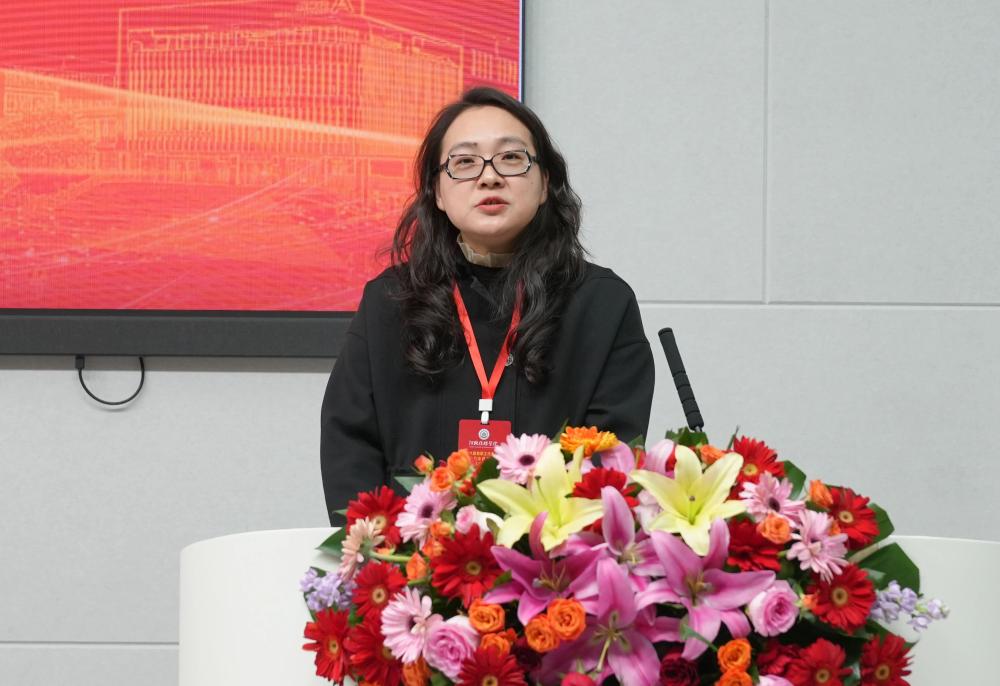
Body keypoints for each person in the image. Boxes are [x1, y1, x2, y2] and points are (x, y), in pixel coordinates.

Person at [320, 87, 654, 523]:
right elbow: (349, 447)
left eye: (511, 158)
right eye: (464, 162)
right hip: (412, 555)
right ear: (437, 192)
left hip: (553, 554)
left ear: (545, 184)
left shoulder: (603, 304)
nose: (489, 177)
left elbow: (610, 458)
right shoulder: (389, 301)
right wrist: (383, 547)